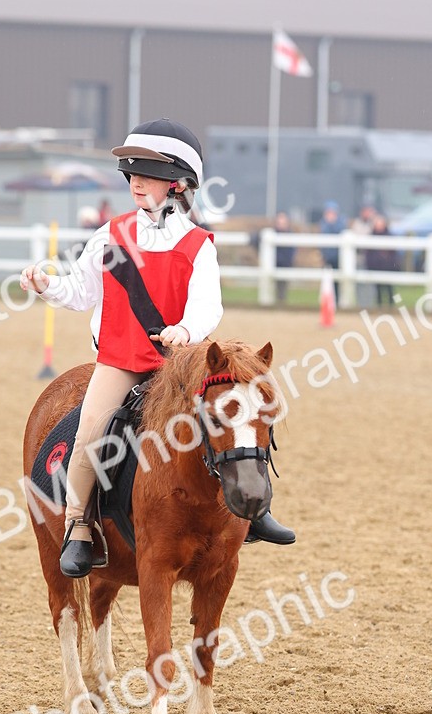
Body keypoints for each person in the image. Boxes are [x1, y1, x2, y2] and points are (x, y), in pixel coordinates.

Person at [20, 117, 295, 578]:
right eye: (133, 172)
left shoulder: (197, 243)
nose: (137, 182)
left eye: (148, 173)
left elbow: (208, 307)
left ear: (179, 184)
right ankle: (79, 528)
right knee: (88, 435)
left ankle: (255, 508)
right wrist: (48, 285)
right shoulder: (109, 236)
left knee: (243, 414)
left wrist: (185, 332)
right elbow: (81, 293)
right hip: (123, 361)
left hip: (183, 363)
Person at [365, 214, 399, 306]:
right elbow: (368, 254)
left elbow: (394, 254)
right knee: (378, 289)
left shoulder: (390, 236)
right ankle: (379, 306)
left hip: (388, 266)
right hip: (376, 266)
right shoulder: (371, 236)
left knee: (389, 289)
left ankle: (391, 306)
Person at [274, 212, 295, 303]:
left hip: (285, 264)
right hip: (275, 263)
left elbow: (291, 251)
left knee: (282, 288)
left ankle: (281, 302)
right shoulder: (274, 233)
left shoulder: (290, 235)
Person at [319, 201, 344, 270]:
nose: (330, 215)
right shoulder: (323, 225)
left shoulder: (341, 224)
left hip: (338, 257)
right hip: (327, 257)